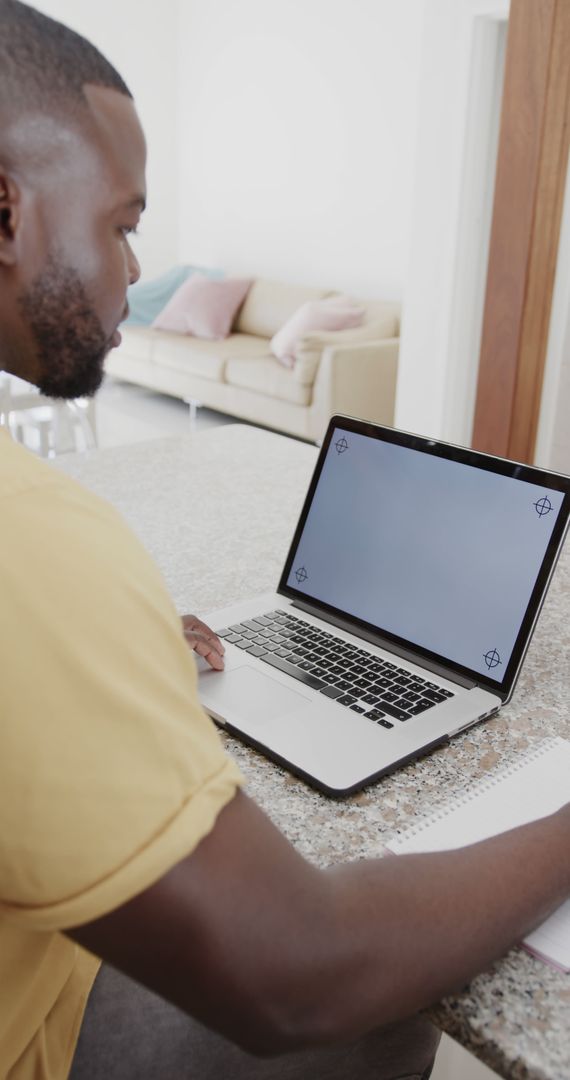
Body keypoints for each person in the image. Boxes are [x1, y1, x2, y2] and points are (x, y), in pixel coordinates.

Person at [0, 2, 568, 1078]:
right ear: (5, 209)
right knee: (390, 1002)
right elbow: (303, 974)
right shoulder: (32, 537)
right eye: (123, 224)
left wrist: (84, 655)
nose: (134, 272)